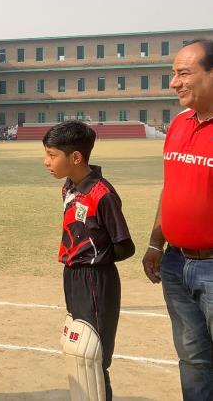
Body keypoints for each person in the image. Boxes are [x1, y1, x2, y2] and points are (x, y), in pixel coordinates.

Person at [141, 40, 213, 400]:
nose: (174, 83)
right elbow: (172, 187)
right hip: (175, 264)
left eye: (184, 73)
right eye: (173, 74)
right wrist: (156, 244)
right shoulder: (179, 124)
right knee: (193, 359)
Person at [43, 120, 135, 401]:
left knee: (92, 354)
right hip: (72, 275)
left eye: (52, 155)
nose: (46, 162)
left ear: (75, 157)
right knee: (77, 349)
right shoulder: (69, 187)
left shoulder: (102, 194)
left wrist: (95, 260)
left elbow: (125, 246)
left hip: (96, 279)